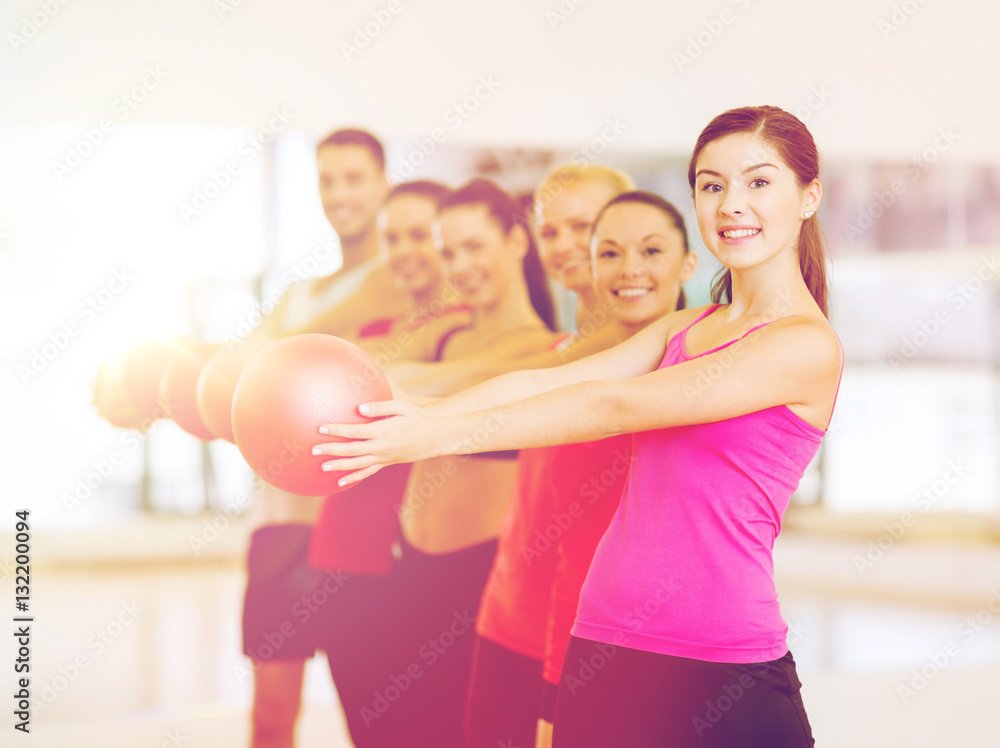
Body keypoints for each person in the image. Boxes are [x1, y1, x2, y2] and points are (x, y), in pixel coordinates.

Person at [314, 106, 843, 747]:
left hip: (723, 661)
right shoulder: (685, 328)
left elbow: (615, 405)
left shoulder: (806, 346)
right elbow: (555, 378)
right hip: (602, 640)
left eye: (759, 182)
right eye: (712, 185)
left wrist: (435, 437)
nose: (732, 204)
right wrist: (412, 409)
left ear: (808, 196)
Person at [349, 179, 558, 748]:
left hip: (482, 579)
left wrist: (379, 387)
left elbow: (442, 385)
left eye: (474, 246)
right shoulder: (443, 334)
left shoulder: (546, 348)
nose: (460, 265)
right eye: (448, 252)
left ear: (517, 242)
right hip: (409, 569)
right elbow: (383, 366)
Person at [463, 165, 636, 748]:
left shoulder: (653, 356)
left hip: (586, 632)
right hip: (506, 614)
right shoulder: (554, 351)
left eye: (582, 226)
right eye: (550, 230)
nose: (563, 245)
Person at [241, 127, 397, 748]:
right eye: (327, 180)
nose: (340, 194)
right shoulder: (298, 294)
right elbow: (245, 381)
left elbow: (267, 359)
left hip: (359, 531)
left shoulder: (406, 278)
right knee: (271, 717)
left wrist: (274, 350)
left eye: (355, 178)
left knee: (373, 715)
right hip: (281, 525)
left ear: (384, 184)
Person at [534, 190, 697, 748]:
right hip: (579, 628)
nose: (630, 270)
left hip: (689, 643)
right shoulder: (567, 369)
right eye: (609, 253)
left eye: (652, 251)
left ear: (688, 263)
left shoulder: (717, 369)